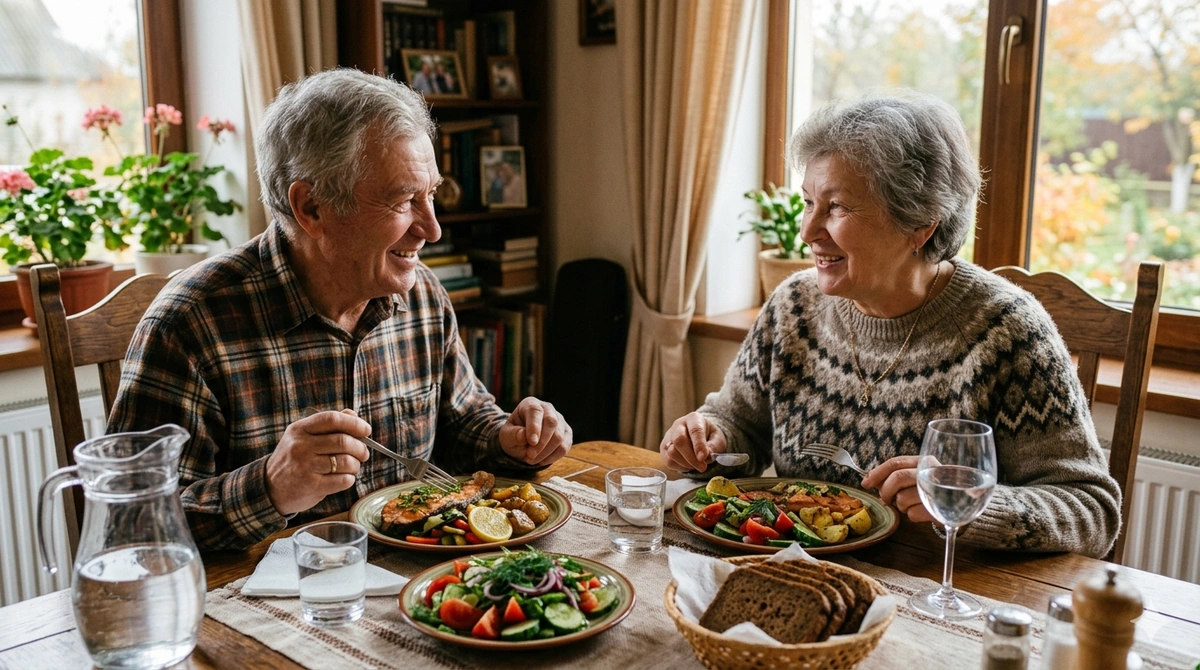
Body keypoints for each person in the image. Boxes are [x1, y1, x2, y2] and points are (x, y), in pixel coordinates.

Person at [107, 69, 572, 550]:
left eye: (429, 194)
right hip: (267, 609)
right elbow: (130, 527)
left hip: (413, 591)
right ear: (311, 208)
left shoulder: (423, 296)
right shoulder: (189, 324)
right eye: (403, 200)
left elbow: (465, 425)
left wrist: (513, 440)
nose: (432, 229)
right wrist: (270, 487)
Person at [659, 93, 1121, 559]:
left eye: (836, 208)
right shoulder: (793, 306)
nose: (807, 231)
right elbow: (739, 424)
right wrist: (709, 439)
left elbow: (1092, 512)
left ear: (919, 225)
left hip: (938, 595)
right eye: (807, 203)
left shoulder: (1006, 333)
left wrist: (971, 501)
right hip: (796, 573)